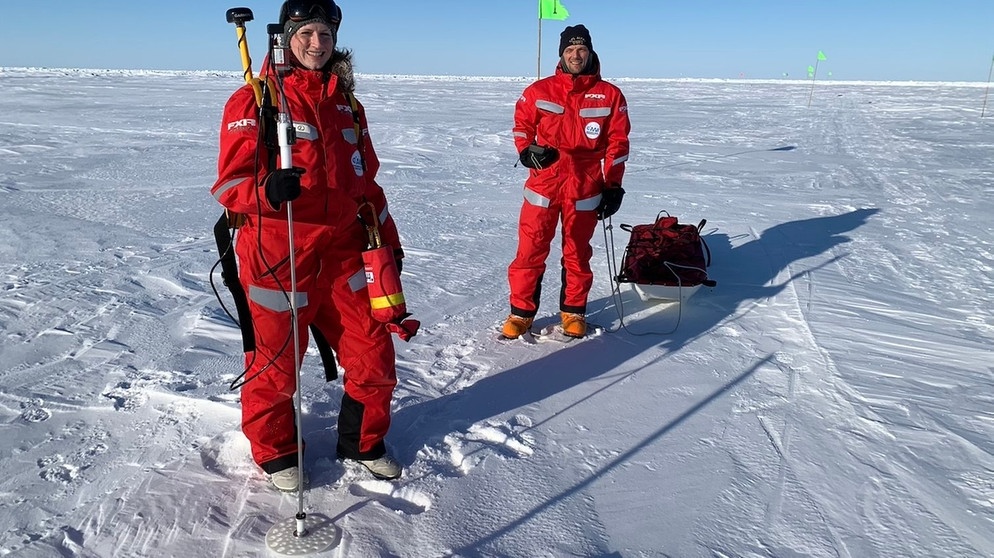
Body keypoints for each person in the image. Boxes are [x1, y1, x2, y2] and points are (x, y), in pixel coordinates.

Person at [211, 0, 406, 491]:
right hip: (279, 253)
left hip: (343, 252)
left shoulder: (349, 105)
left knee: (374, 352)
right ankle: (276, 450)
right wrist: (266, 190)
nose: (316, 44)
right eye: (306, 33)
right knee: (275, 363)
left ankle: (361, 440)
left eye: (324, 34)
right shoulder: (256, 100)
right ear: (286, 35)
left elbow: (368, 187)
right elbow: (230, 183)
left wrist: (390, 245)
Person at [503, 24, 631, 339]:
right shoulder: (539, 90)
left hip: (586, 184)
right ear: (561, 54)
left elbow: (618, 145)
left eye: (581, 49)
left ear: (590, 52)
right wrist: (526, 152)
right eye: (570, 50)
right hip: (543, 184)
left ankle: (573, 312)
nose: (576, 55)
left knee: (577, 252)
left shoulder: (610, 95)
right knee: (530, 250)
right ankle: (521, 314)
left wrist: (613, 186)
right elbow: (522, 124)